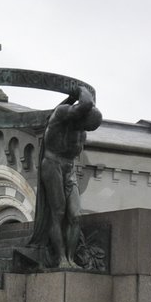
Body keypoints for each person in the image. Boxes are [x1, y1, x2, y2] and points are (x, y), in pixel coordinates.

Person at [26, 85, 103, 269]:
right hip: (52, 165)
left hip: (69, 169)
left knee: (75, 215)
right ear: (80, 115)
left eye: (88, 128)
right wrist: (81, 89)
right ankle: (61, 259)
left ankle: (71, 258)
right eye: (85, 125)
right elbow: (85, 103)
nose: (84, 130)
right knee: (58, 212)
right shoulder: (61, 115)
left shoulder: (81, 132)